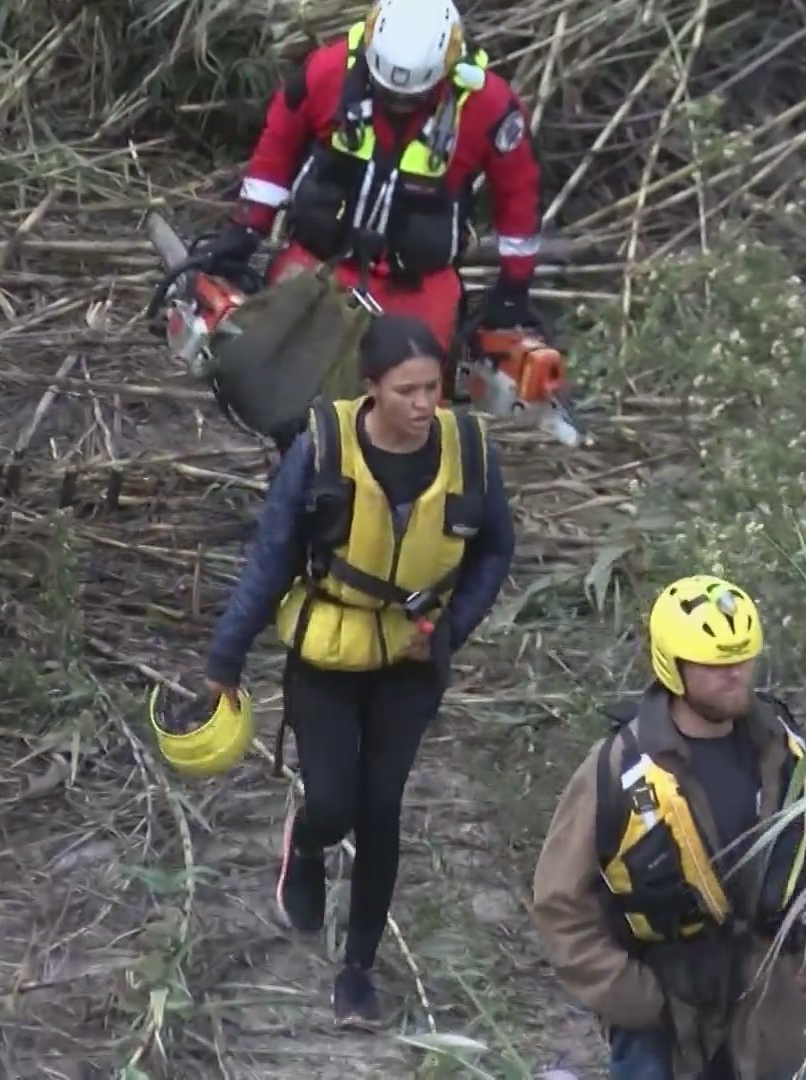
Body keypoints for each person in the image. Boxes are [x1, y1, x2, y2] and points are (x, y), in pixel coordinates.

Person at [203, 312, 516, 1026]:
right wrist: (226, 656)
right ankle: (306, 841)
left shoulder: (470, 451)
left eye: (432, 388)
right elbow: (271, 556)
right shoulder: (320, 450)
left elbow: (497, 548)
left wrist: (447, 629)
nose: (422, 405)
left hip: (411, 662)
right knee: (335, 801)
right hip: (327, 656)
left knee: (381, 808)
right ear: (370, 388)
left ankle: (358, 971)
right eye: (405, 390)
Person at [531, 575, 806, 1079]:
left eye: (743, 657)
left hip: (765, 1007)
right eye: (715, 664)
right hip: (662, 1014)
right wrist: (633, 997)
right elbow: (558, 902)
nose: (735, 674)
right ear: (673, 664)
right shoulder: (618, 769)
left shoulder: (783, 749)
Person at [203, 0, 544, 359]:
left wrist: (514, 286)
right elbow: (276, 151)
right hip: (315, 265)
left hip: (418, 288)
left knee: (412, 392)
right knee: (271, 369)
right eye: (389, 94)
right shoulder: (327, 71)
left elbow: (518, 197)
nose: (398, 104)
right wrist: (244, 230)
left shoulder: (489, 107)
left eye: (410, 97)